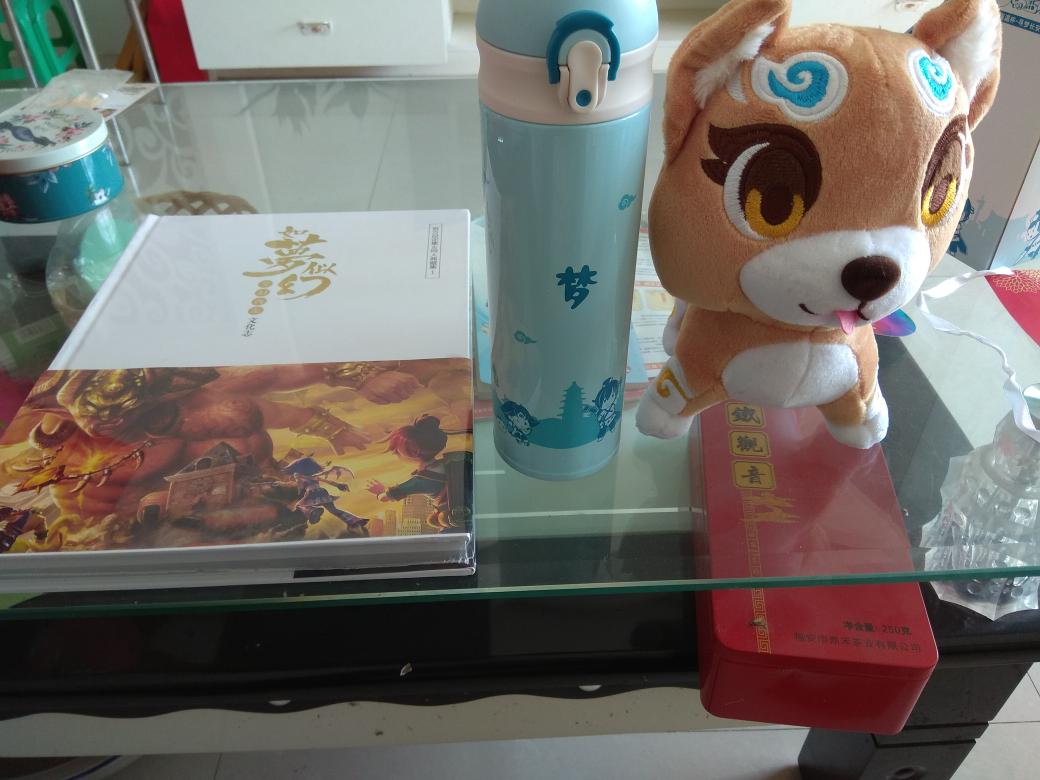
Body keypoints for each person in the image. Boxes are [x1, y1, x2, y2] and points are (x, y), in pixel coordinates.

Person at [366, 416, 472, 530]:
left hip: (454, 516)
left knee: (439, 520)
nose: (396, 455)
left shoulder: (423, 480)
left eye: (397, 451)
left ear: (414, 452)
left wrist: (380, 492)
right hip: (464, 505)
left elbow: (386, 497)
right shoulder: (448, 463)